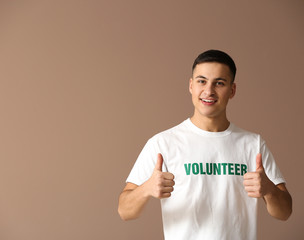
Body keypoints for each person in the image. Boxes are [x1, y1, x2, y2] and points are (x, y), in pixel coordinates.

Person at [118, 50, 292, 240]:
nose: (209, 91)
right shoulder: (162, 143)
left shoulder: (253, 144)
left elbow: (284, 212)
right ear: (191, 86)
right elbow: (125, 211)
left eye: (219, 83)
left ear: (232, 90)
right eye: (202, 81)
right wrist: (147, 188)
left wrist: (269, 190)